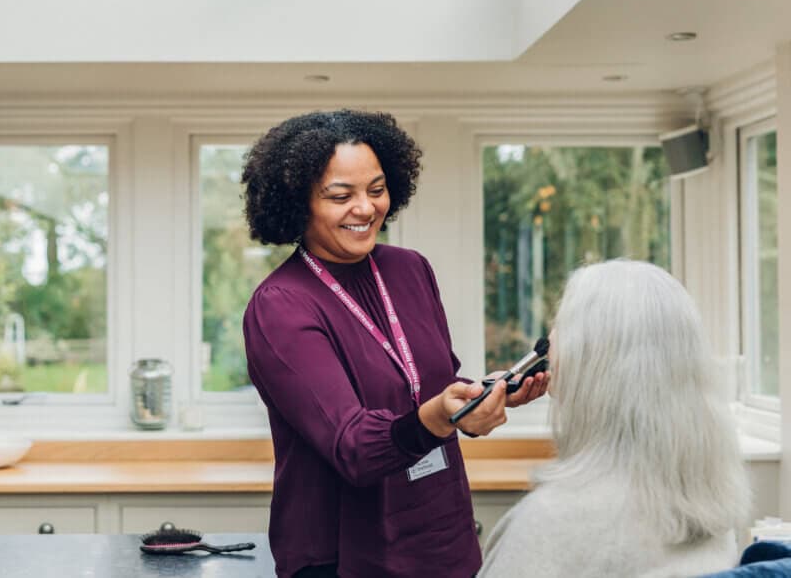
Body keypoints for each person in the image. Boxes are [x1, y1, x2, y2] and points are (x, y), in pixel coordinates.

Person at [241, 110, 548, 578]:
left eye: (377, 190)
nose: (365, 208)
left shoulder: (411, 270)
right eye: (340, 195)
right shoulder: (280, 306)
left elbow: (426, 389)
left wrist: (478, 397)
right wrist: (440, 415)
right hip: (342, 555)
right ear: (298, 203)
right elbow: (353, 448)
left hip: (440, 538)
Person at [479, 260, 751, 577]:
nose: (550, 342)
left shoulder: (546, 524)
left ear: (589, 367)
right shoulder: (709, 510)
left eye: (561, 326)